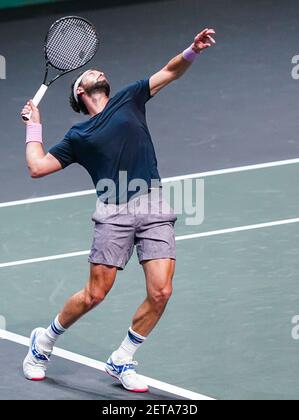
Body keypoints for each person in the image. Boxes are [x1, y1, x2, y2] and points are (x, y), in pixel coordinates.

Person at [21, 28, 216, 393]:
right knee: (95, 294)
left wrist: (192, 49)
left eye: (100, 72)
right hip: (114, 212)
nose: (99, 72)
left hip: (154, 203)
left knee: (161, 292)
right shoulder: (79, 136)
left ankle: (123, 357)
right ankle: (43, 342)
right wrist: (35, 126)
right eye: (90, 73)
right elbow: (37, 166)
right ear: (80, 91)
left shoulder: (129, 99)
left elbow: (170, 72)